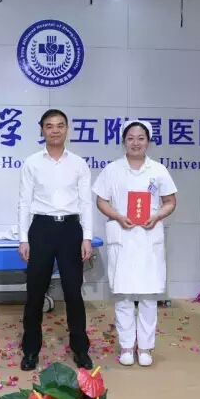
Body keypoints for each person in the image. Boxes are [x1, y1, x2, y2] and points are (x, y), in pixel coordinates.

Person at [92, 120, 177, 367]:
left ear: (148, 141)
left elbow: (170, 201)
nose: (136, 143)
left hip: (149, 237)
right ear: (123, 141)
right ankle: (127, 346)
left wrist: (157, 216)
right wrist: (118, 216)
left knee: (149, 296)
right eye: (131, 138)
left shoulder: (158, 170)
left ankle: (146, 348)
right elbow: (101, 201)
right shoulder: (112, 169)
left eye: (141, 138)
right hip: (123, 236)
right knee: (124, 295)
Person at [18, 109, 94, 371]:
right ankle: (30, 350)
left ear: (67, 129)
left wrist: (87, 237)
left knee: (73, 291)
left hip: (71, 229)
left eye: (60, 125)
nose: (55, 130)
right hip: (41, 228)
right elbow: (24, 202)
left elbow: (86, 203)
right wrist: (23, 239)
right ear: (42, 130)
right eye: (49, 126)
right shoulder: (32, 163)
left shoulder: (79, 164)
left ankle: (80, 349)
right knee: (35, 292)